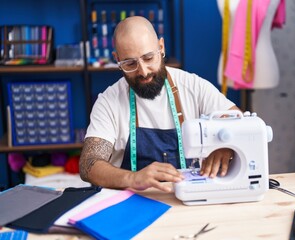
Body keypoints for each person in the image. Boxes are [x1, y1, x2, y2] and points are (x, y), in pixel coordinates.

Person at [79, 16, 240, 193]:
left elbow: (241, 122)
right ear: (117, 59)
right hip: (130, 204)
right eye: (130, 63)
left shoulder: (193, 87)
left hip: (187, 198)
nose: (143, 71)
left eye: (148, 58)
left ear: (161, 47)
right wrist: (133, 178)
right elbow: (88, 164)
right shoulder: (109, 102)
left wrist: (228, 144)